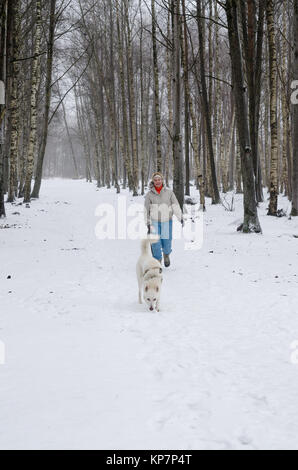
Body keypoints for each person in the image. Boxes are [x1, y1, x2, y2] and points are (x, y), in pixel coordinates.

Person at [144, 172, 184, 267]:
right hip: (154, 221)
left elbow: (175, 206)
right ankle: (157, 260)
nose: (157, 181)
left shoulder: (169, 193)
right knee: (155, 242)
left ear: (162, 180)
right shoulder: (149, 195)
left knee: (167, 241)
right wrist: (148, 223)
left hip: (167, 220)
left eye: (159, 179)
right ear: (153, 182)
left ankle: (166, 254)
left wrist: (180, 217)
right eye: (155, 180)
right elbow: (146, 210)